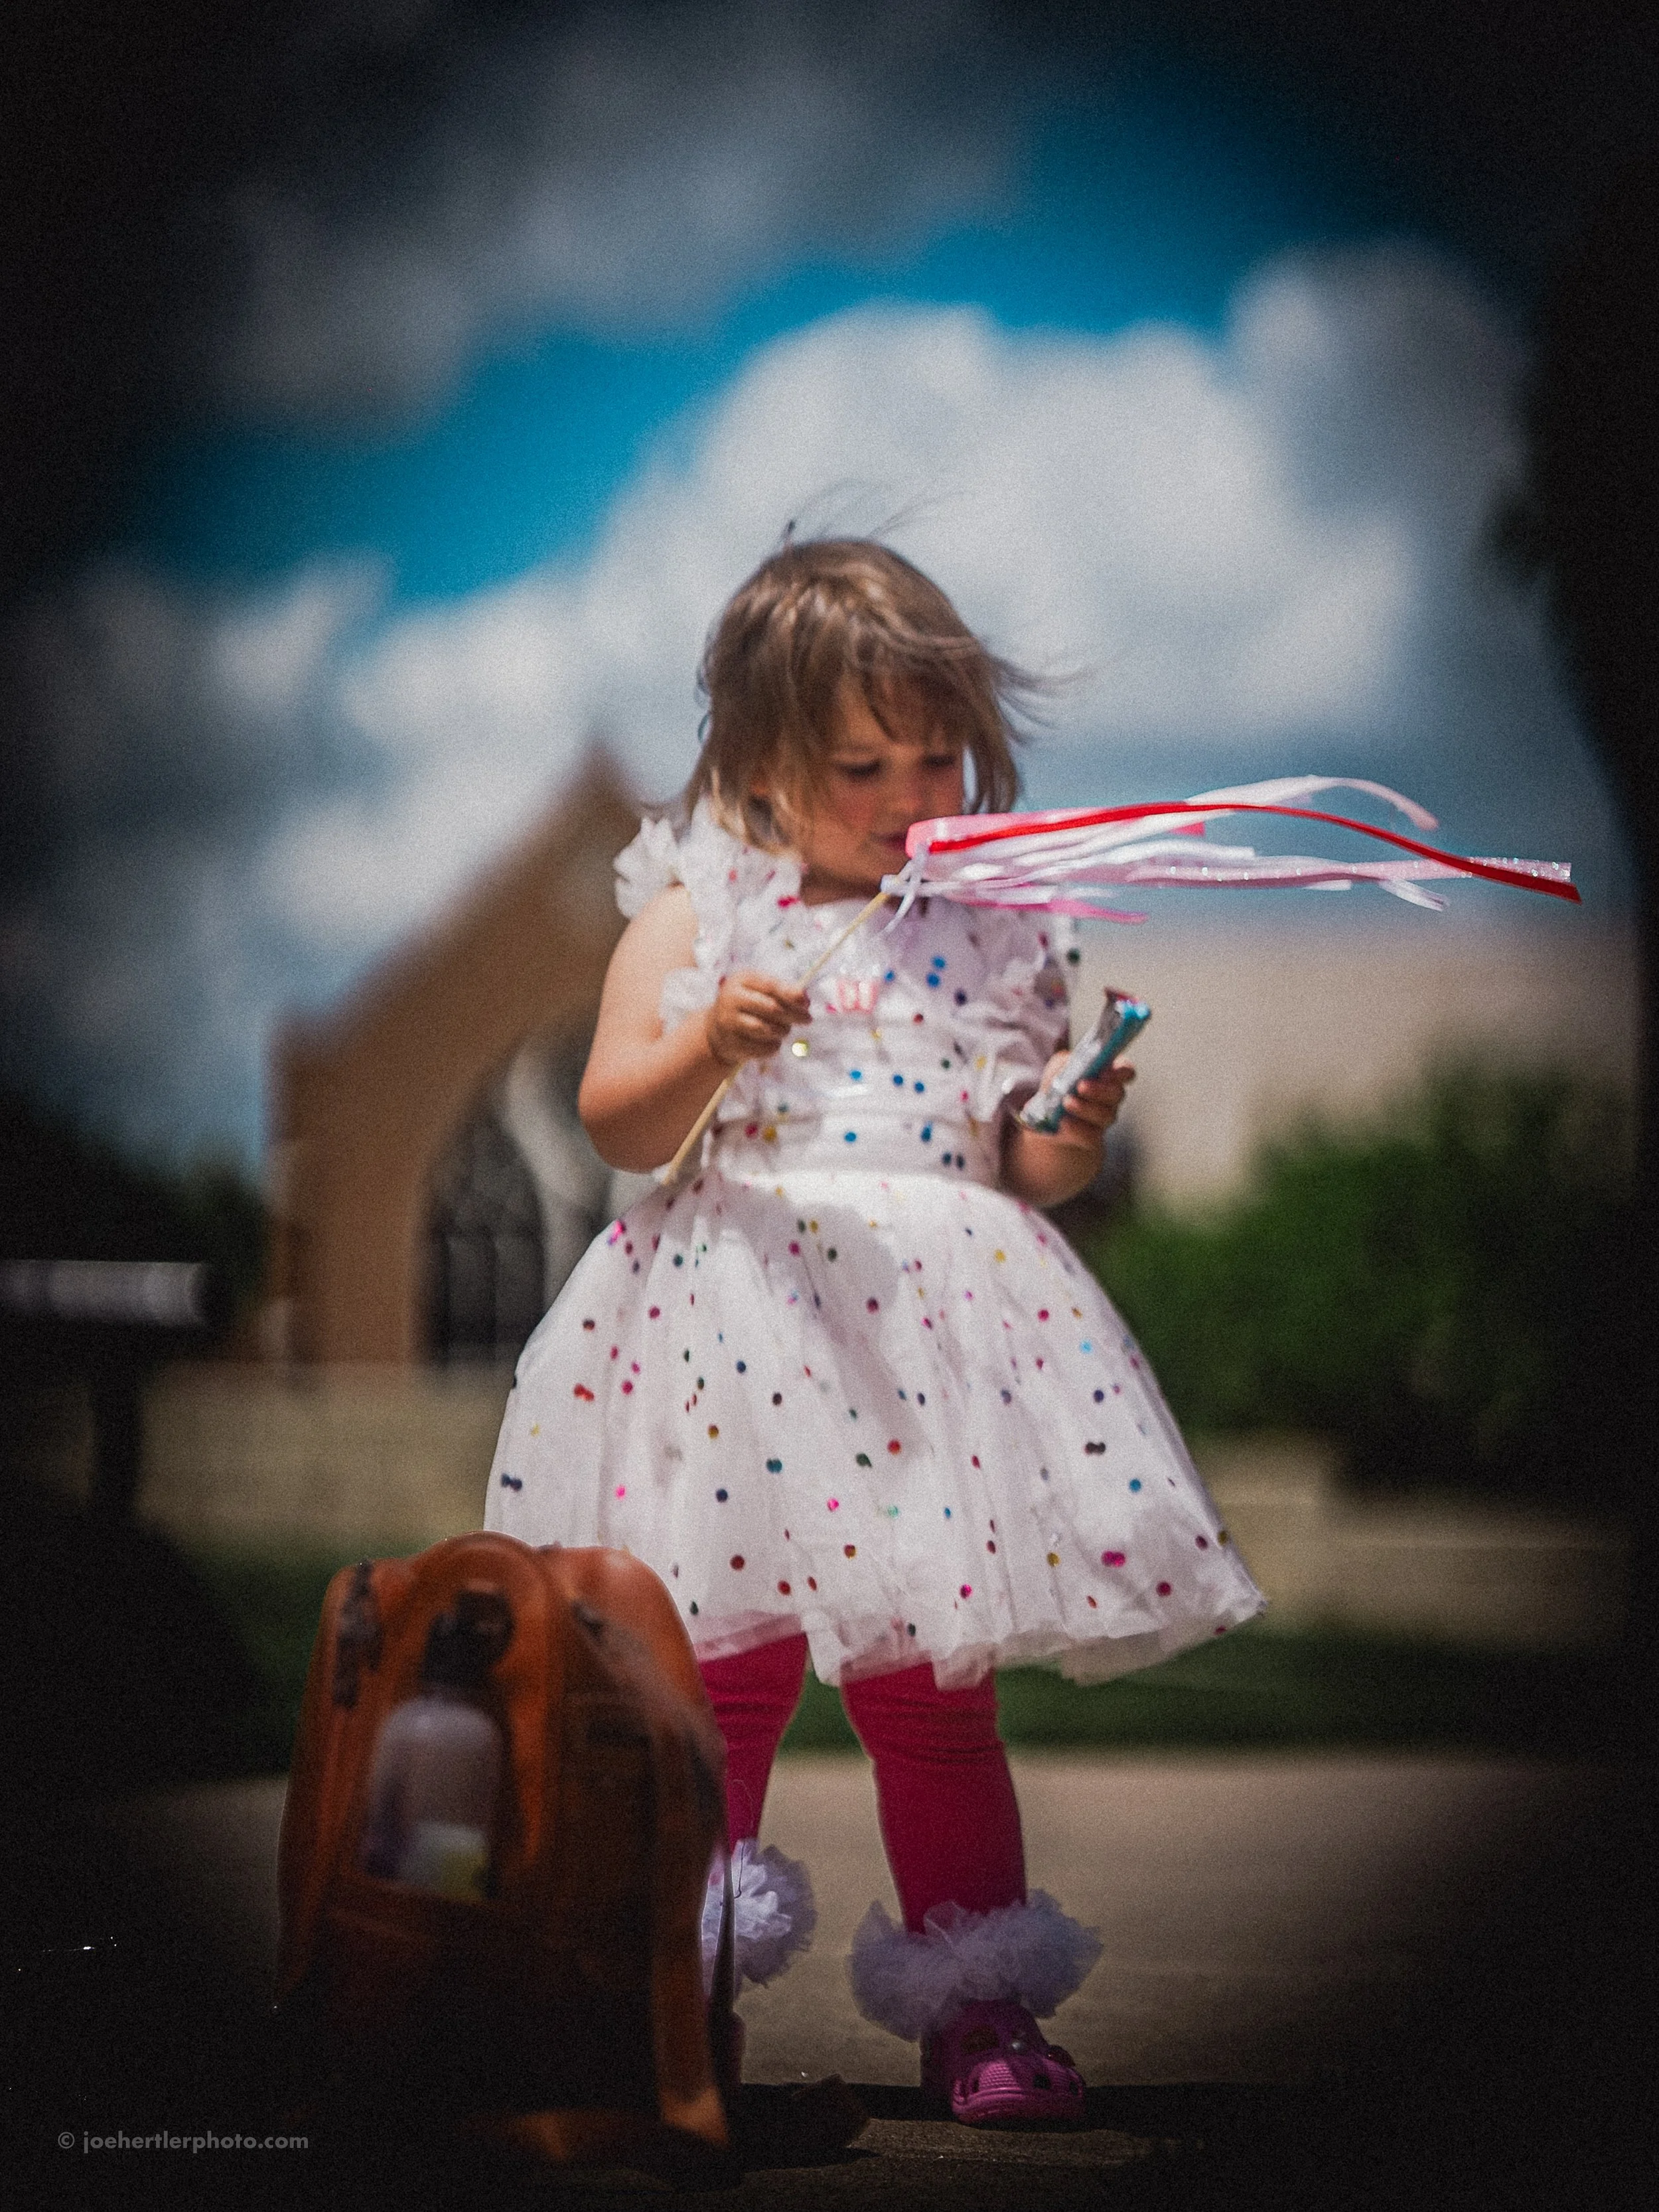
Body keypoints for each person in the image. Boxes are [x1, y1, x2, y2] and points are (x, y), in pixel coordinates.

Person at [486, 536, 1265, 2124]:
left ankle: (976, 2007)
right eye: (862, 762)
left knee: (931, 1688)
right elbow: (620, 1124)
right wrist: (707, 1032)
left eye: (939, 755)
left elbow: (1023, 1163)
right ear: (759, 758)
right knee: (724, 1677)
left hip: (930, 1358)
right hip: (743, 1338)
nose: (911, 789)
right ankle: (673, 1999)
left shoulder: (996, 926)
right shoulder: (703, 906)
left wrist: (1069, 1116)